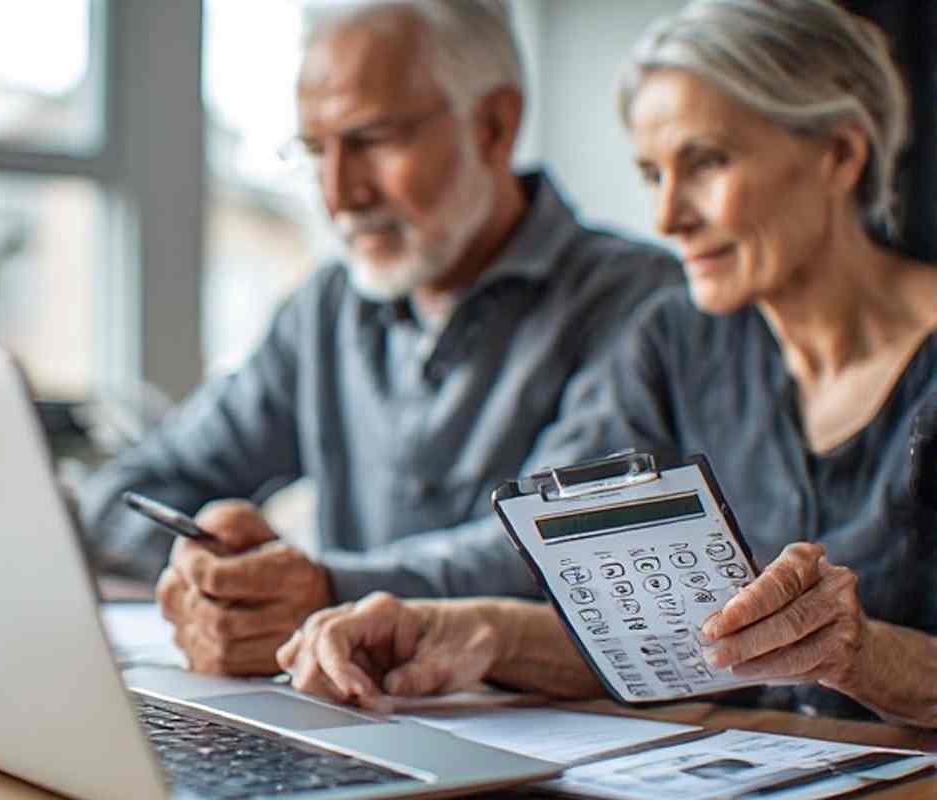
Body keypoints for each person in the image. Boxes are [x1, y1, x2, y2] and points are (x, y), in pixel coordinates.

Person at [277, 0, 937, 728]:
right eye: (653, 175)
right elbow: (649, 637)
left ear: (841, 154)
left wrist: (864, 655)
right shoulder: (675, 344)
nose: (667, 219)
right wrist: (453, 627)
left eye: (708, 162)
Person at [77, 0, 679, 675]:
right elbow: (134, 486)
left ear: (495, 125)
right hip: (351, 712)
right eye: (315, 151)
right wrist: (221, 575)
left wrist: (323, 588)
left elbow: (562, 546)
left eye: (372, 140)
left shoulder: (643, 303)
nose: (338, 194)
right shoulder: (325, 309)